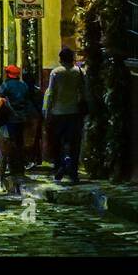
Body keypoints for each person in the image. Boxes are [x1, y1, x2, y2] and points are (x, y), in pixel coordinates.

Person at [44, 47, 87, 184]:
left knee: (58, 143)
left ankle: (60, 166)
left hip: (58, 112)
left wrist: (47, 110)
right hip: (74, 112)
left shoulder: (56, 73)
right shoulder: (79, 72)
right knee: (74, 143)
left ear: (61, 58)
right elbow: (84, 91)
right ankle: (73, 171)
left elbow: (51, 93)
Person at [0, 65, 32, 178]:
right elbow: (27, 101)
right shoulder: (24, 85)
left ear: (7, 74)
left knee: (11, 143)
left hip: (10, 118)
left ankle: (13, 168)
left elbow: (1, 100)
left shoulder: (5, 86)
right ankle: (20, 167)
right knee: (20, 143)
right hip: (22, 118)